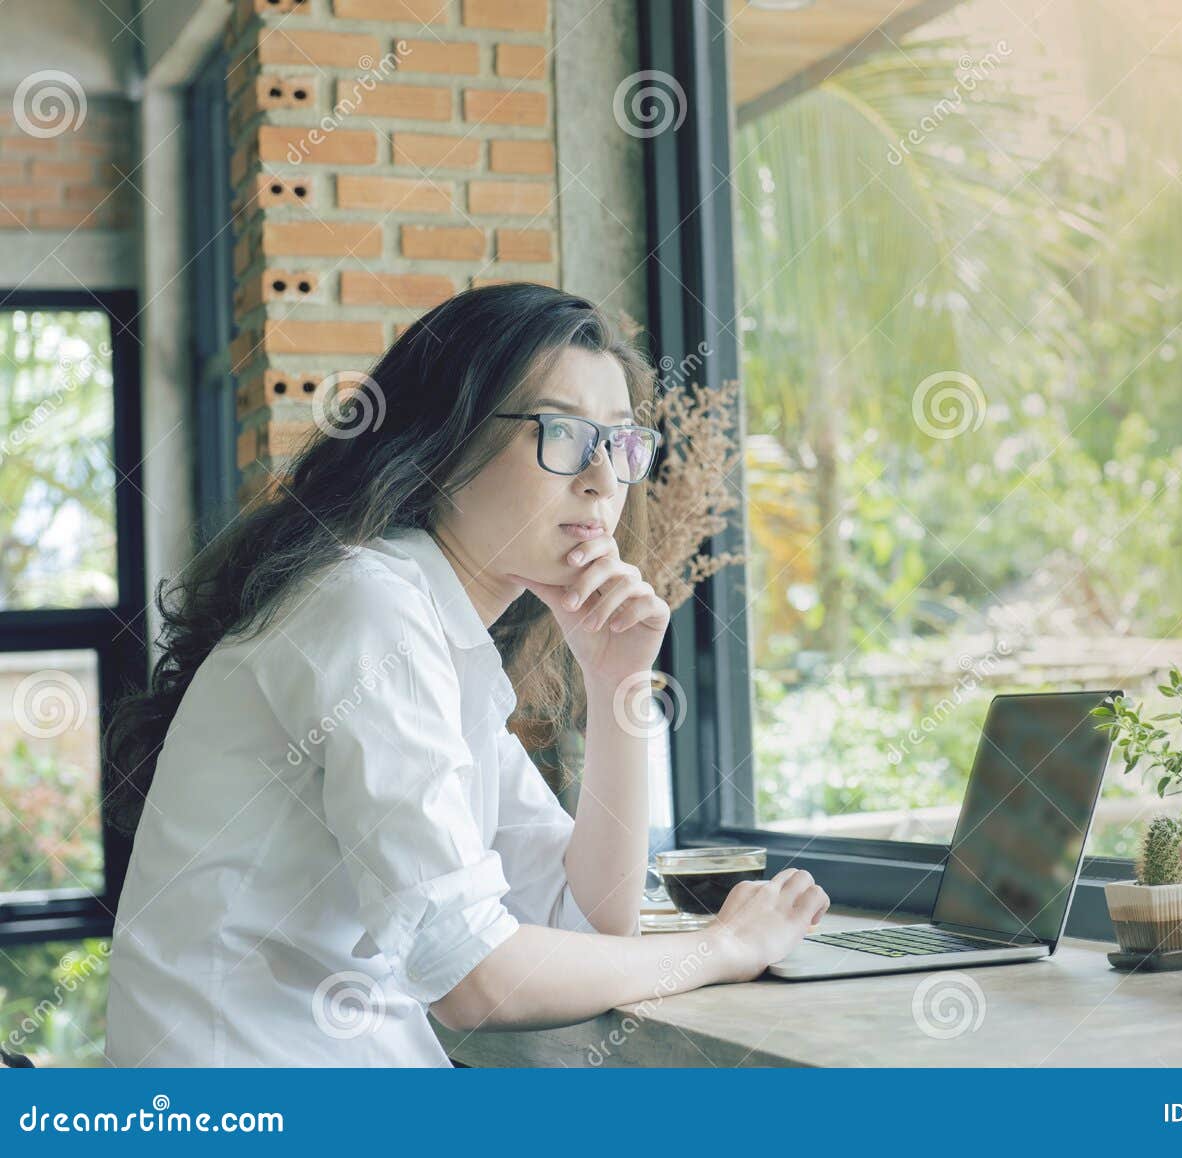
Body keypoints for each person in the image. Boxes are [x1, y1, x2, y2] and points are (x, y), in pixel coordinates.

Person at [101, 283, 828, 1066]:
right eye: (561, 433)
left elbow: (587, 921)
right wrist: (721, 947)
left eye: (619, 443)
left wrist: (615, 683)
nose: (601, 480)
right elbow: (474, 979)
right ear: (443, 440)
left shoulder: (444, 642)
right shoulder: (366, 607)